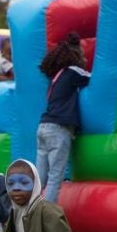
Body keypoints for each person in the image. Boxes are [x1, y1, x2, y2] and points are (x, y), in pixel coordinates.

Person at [36, 32, 90, 203]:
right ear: (75, 55)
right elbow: (96, 79)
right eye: (81, 54)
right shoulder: (73, 71)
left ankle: (25, 215)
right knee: (55, 179)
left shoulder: (56, 77)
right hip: (58, 129)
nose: (84, 58)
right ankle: (44, 219)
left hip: (43, 127)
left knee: (40, 180)